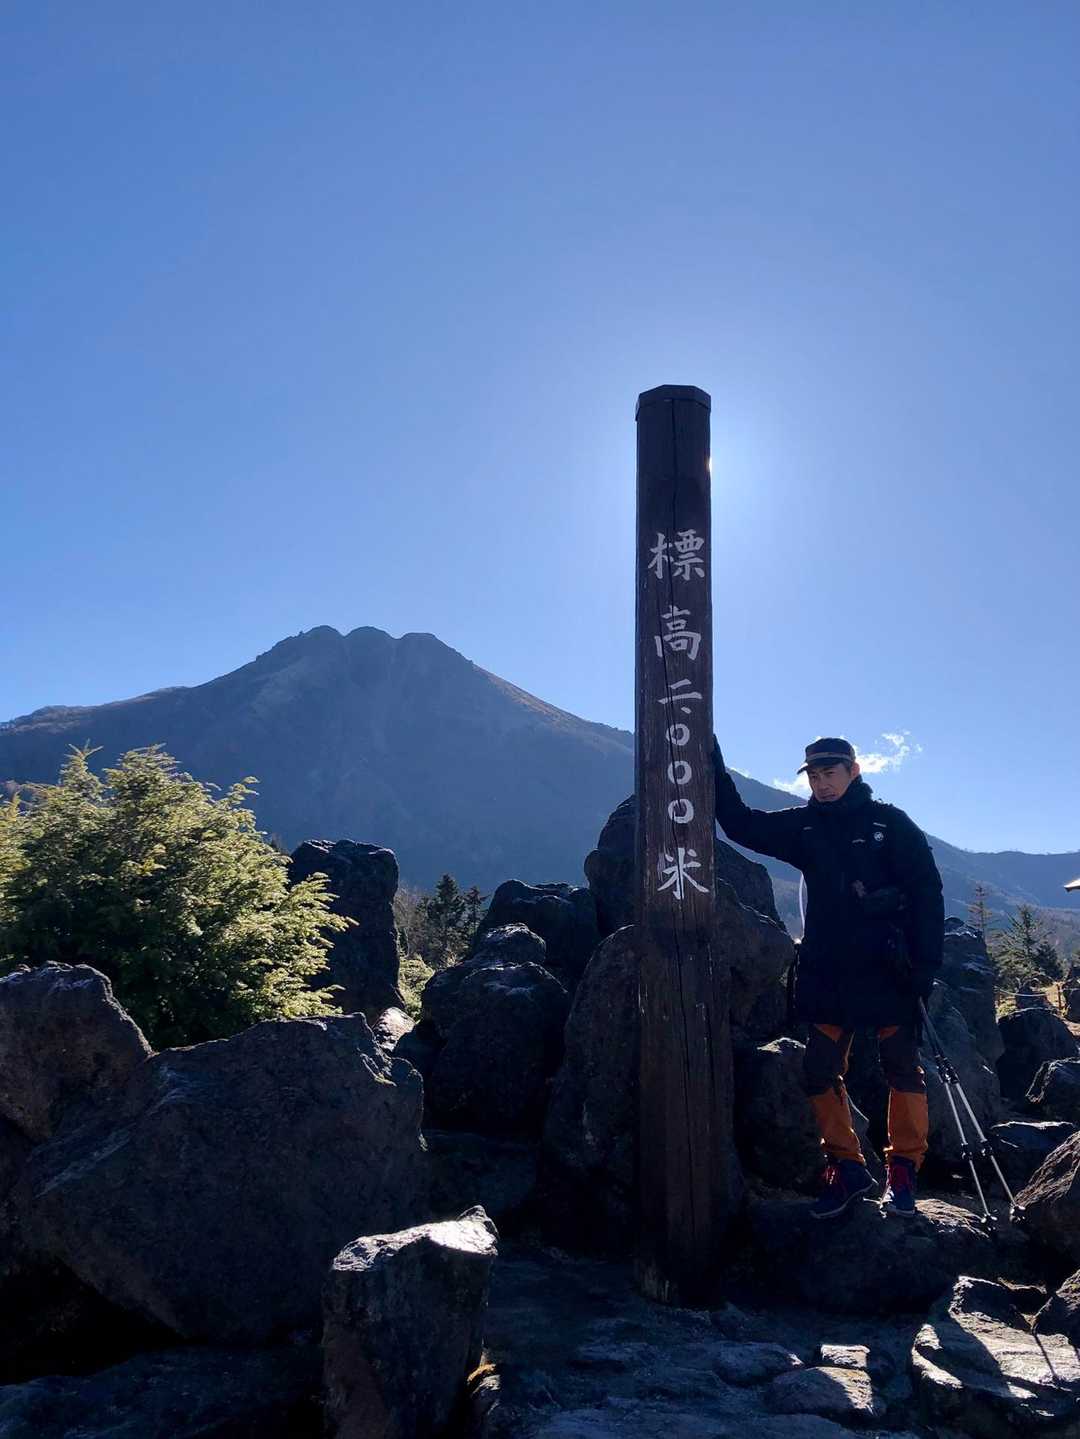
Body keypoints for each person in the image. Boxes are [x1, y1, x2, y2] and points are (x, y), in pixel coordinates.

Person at [712, 735, 944, 1219]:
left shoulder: (891, 825)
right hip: (828, 969)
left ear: (853, 771)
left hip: (889, 968)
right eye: (814, 776)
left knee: (901, 1067)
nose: (822, 784)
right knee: (818, 1070)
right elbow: (739, 824)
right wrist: (710, 760)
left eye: (830, 774)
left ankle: (903, 1171)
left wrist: (925, 967)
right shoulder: (805, 827)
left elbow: (928, 894)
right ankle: (847, 1167)